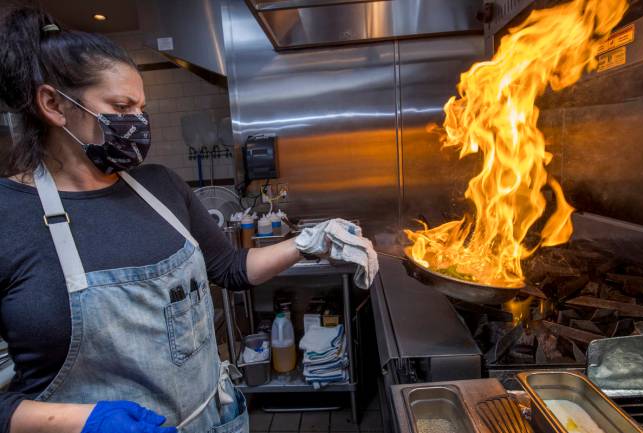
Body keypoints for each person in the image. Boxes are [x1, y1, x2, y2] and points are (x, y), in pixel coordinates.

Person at [0, 7, 375, 433]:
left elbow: (230, 269)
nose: (138, 123)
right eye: (121, 106)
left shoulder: (161, 186)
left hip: (212, 421)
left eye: (141, 109)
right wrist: (80, 422)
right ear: (53, 104)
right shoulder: (9, 217)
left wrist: (309, 241)